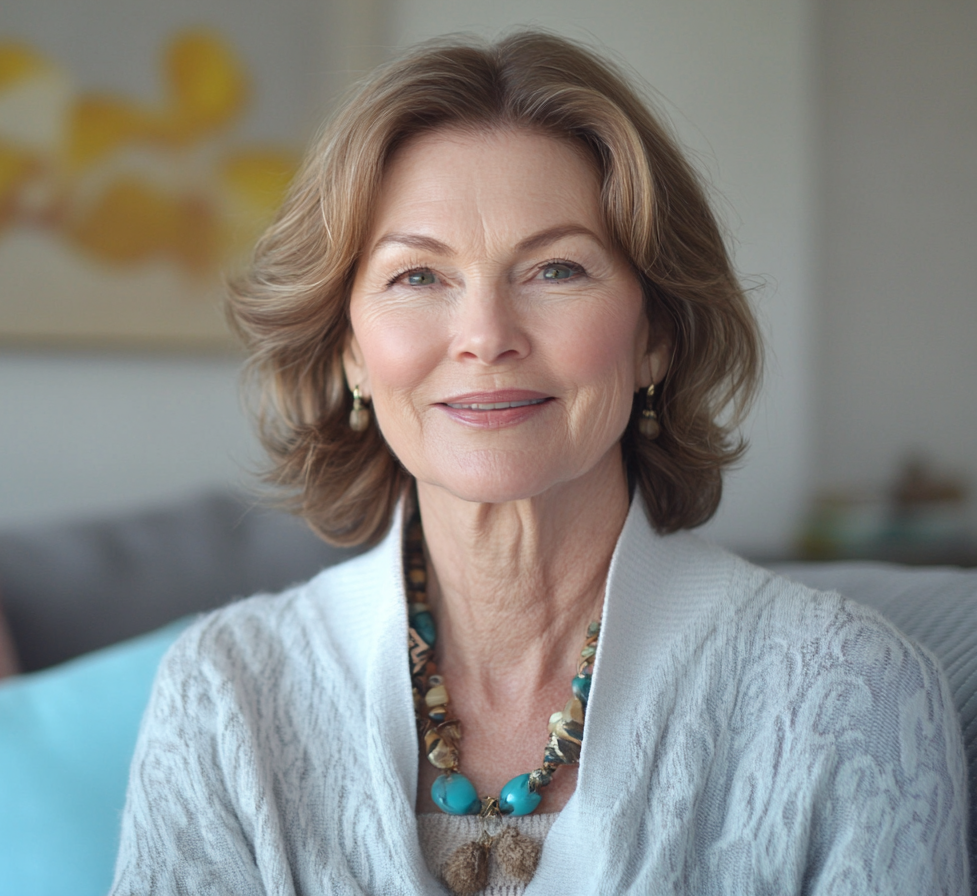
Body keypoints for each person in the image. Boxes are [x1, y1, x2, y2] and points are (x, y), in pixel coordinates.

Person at [110, 30, 968, 896]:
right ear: (350, 353)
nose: (486, 335)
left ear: (657, 338)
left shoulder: (854, 698)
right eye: (418, 277)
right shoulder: (224, 696)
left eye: (557, 269)